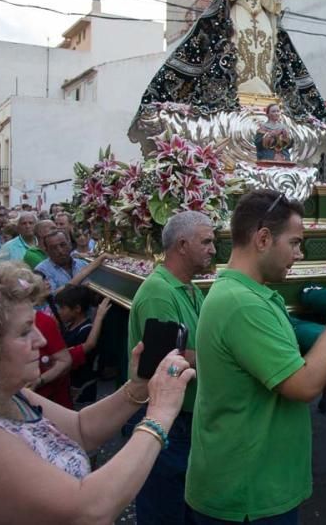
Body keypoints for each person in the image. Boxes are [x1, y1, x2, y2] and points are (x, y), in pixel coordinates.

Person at [0, 257, 194, 523]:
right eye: (25, 331)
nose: (40, 340)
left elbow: (81, 429)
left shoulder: (5, 394)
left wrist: (138, 386)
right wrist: (159, 415)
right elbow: (88, 511)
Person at [187, 191, 326, 523]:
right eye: (294, 243)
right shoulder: (242, 303)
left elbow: (297, 374)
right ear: (263, 239)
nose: (299, 254)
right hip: (247, 494)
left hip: (256, 486)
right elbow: (302, 385)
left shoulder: (247, 294)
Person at [128, 0, 326, 187]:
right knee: (241, 56)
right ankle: (243, 94)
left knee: (264, 58)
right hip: (241, 23)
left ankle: (262, 94)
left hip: (262, 27)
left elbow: (269, 1)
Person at [130, 210, 216, 525]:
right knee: (165, 511)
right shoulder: (158, 292)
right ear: (182, 245)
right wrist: (222, 354)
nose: (213, 249)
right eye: (206, 241)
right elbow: (165, 361)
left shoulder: (190, 288)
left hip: (186, 420)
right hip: (168, 424)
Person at [56, 286, 112, 406]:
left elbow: (88, 347)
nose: (59, 311)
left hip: (81, 389)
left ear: (77, 308)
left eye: (62, 308)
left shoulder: (86, 330)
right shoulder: (69, 325)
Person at [34, 230, 109, 295]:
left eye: (63, 245)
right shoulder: (41, 271)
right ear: (47, 251)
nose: (60, 251)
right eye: (53, 248)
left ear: (70, 244)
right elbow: (55, 297)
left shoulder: (82, 264)